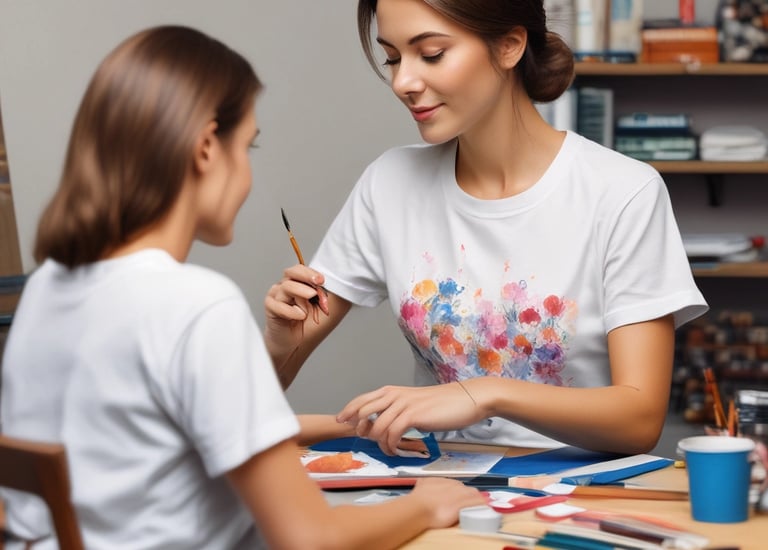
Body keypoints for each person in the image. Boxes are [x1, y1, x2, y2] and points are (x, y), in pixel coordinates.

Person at [0, 25, 484, 550]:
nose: (248, 174)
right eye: (246, 146)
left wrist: (345, 423)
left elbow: (149, 442)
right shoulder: (198, 306)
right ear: (207, 147)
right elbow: (311, 541)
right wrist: (426, 505)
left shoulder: (48, 289)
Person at [265, 0, 709, 456]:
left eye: (432, 54)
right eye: (393, 59)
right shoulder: (389, 183)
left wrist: (486, 393)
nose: (403, 82)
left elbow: (640, 420)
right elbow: (258, 397)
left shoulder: (622, 192)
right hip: (438, 483)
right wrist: (281, 347)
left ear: (510, 46)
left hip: (579, 490)